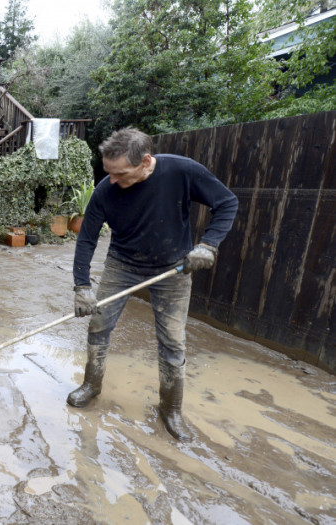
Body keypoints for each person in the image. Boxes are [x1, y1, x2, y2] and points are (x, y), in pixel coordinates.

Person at [69, 127, 238, 442]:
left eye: (121, 173)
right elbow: (87, 237)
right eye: (109, 173)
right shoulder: (106, 190)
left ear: (146, 161)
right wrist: (81, 286)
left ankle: (171, 408)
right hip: (123, 264)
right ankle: (91, 385)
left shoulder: (182, 171)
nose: (114, 180)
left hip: (172, 269)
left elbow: (227, 203)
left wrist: (208, 245)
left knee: (173, 341)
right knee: (98, 325)